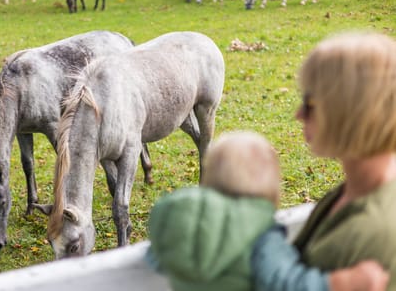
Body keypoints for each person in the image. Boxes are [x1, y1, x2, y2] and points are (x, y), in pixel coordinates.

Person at [147, 131, 388, 291]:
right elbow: (287, 283)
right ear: (271, 191)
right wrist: (342, 283)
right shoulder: (260, 236)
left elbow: (155, 259)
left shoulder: (173, 223)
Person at [253, 31, 396, 290]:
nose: (298, 114)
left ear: (351, 111)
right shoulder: (361, 187)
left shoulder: (370, 234)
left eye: (309, 103)